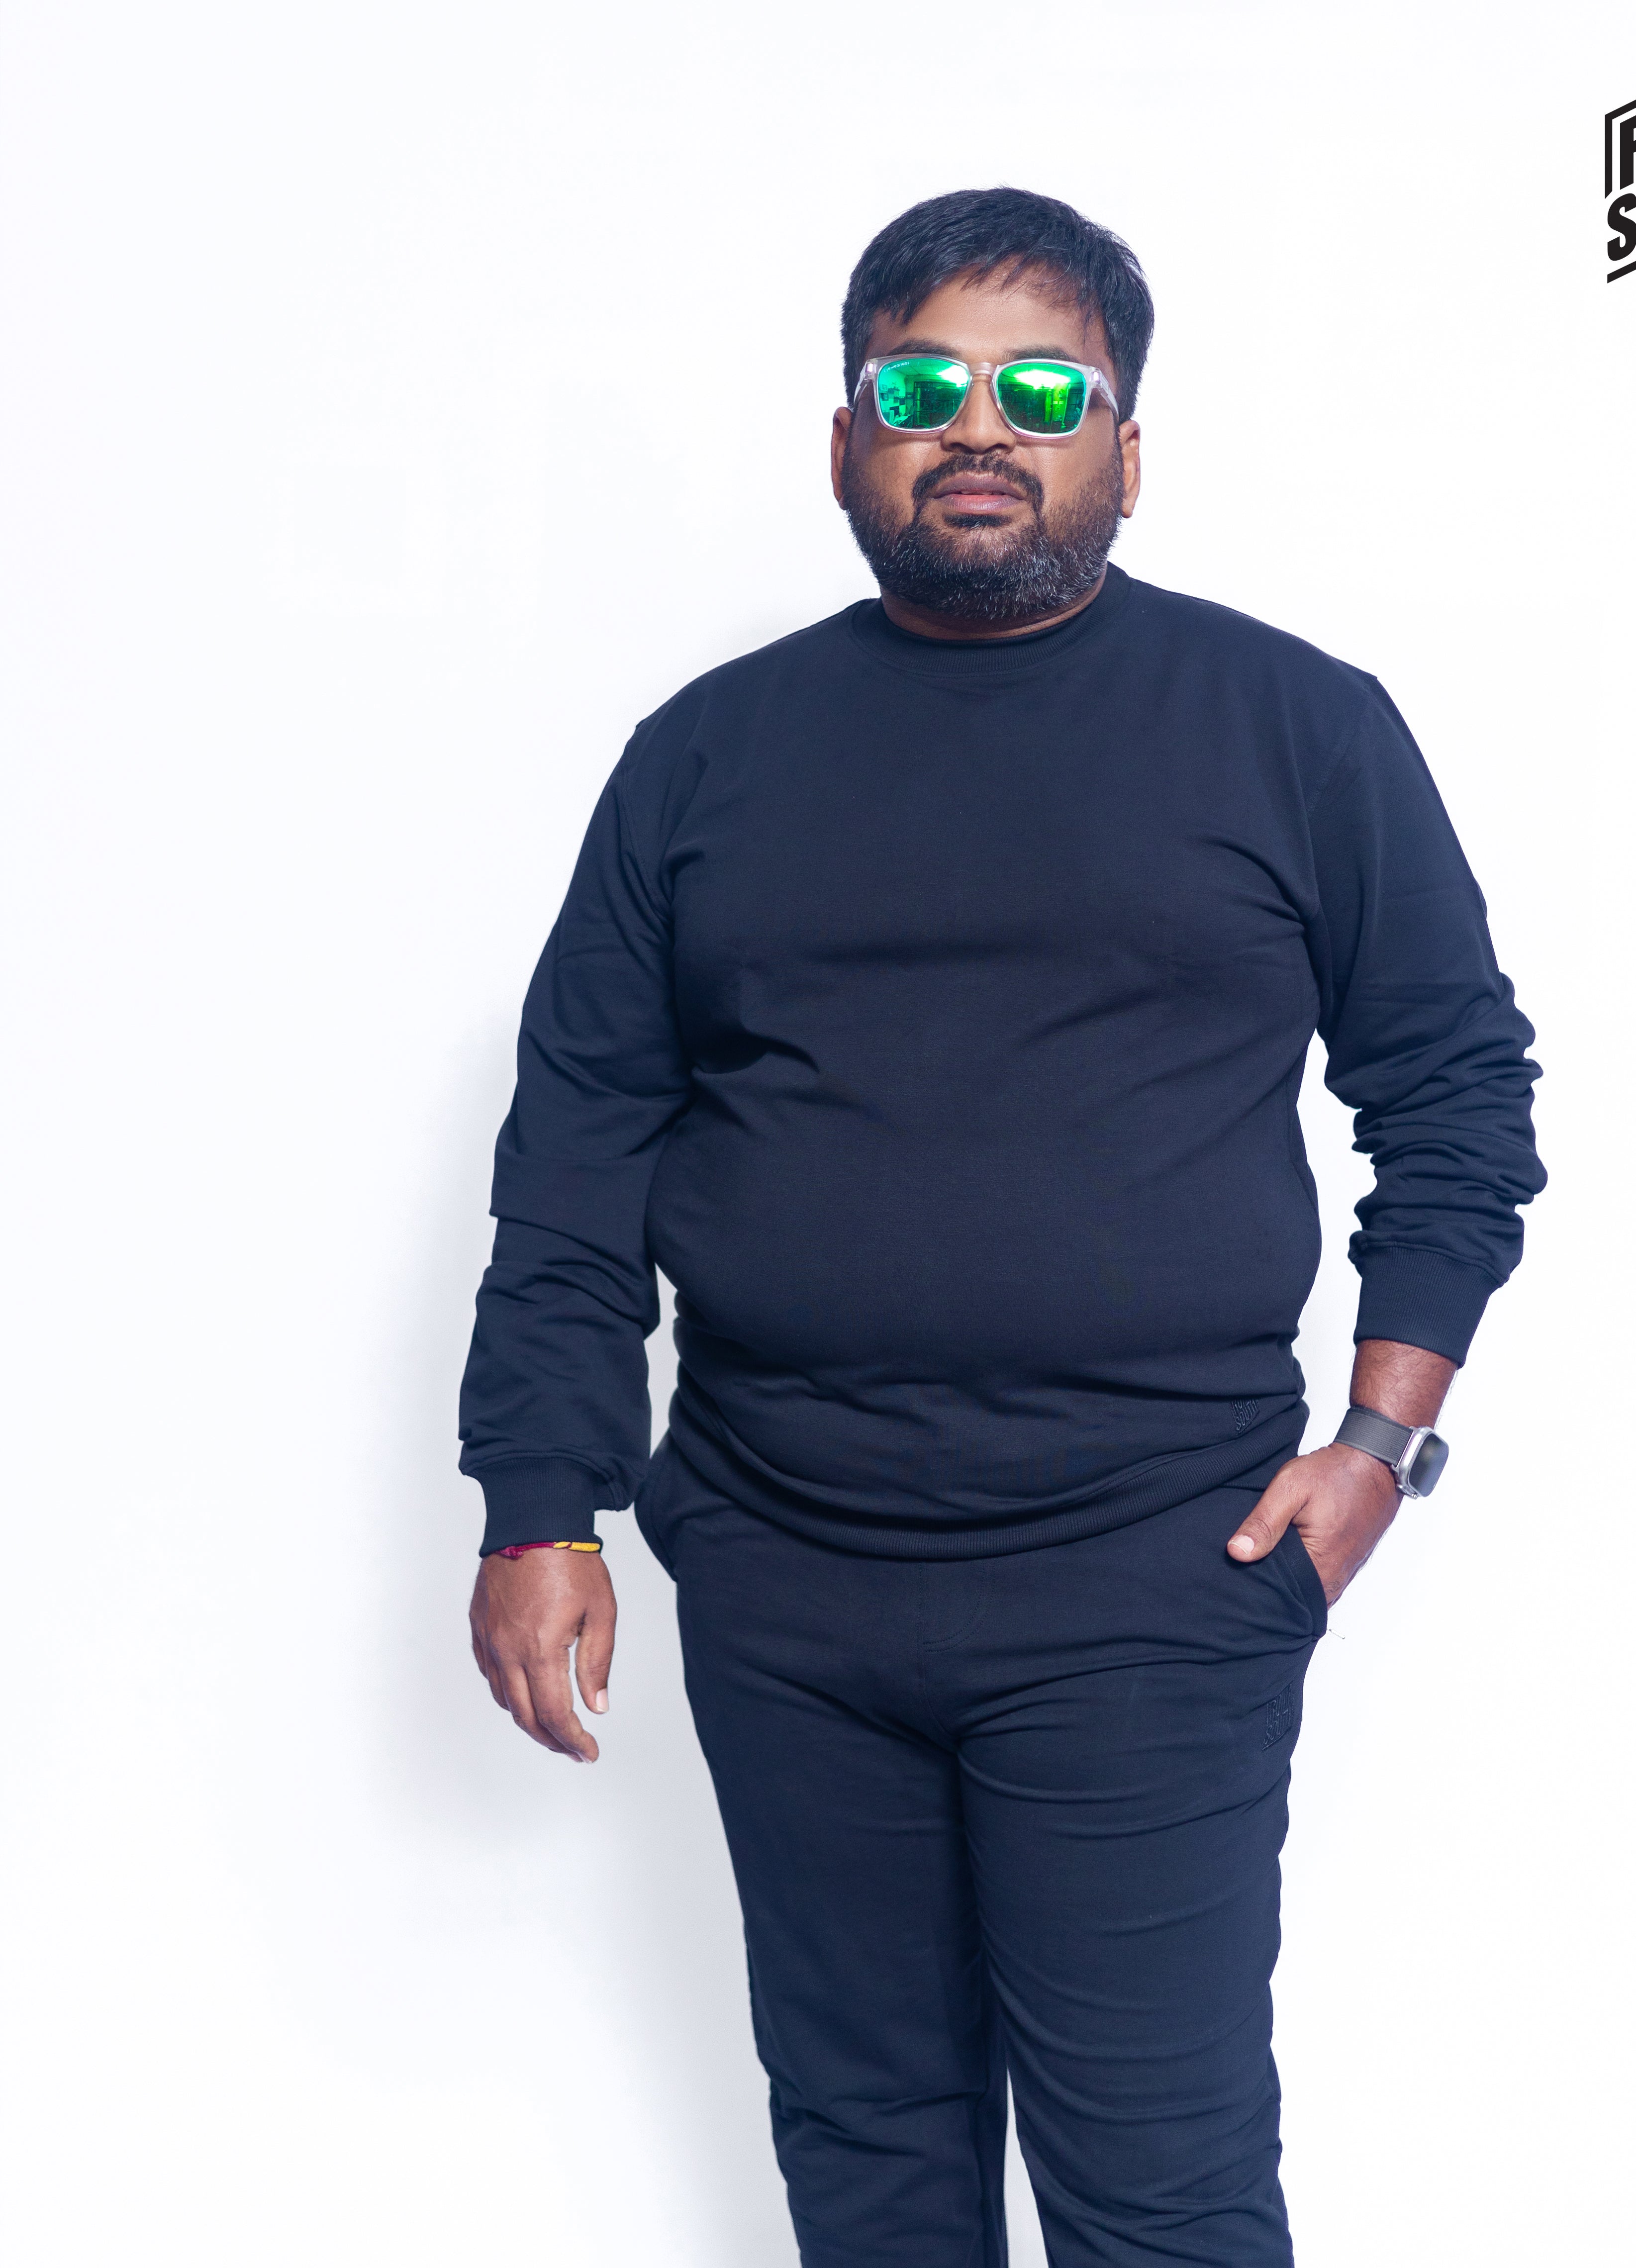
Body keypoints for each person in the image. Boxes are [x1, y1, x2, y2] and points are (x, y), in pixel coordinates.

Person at [459, 187, 1544, 2267]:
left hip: (1154, 1569)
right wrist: (538, 1505)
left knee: (1159, 2188)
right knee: (867, 2162)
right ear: (844, 440)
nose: (981, 426)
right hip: (785, 1571)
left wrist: (1381, 1442)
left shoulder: (1295, 727)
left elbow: (1455, 1089)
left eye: (1046, 390)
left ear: (1128, 447)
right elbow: (580, 1143)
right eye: (921, 387)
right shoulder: (706, 757)